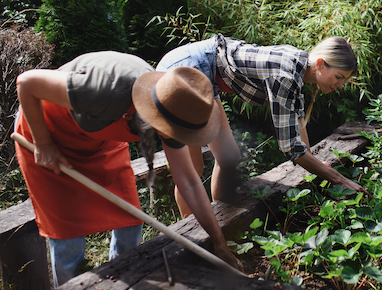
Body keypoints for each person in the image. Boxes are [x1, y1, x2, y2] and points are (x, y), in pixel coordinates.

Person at [14, 51, 243, 290]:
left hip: (99, 139)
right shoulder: (103, 90)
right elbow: (26, 83)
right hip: (48, 132)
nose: (179, 140)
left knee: (130, 220)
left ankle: (117, 288)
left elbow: (188, 181)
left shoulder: (176, 109)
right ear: (157, 116)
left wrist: (219, 243)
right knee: (68, 236)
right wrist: (43, 144)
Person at [156, 34, 367, 214]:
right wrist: (340, 180)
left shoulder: (299, 68)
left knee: (225, 158)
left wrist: (317, 165)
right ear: (320, 64)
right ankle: (193, 233)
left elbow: (297, 121)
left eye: (344, 80)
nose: (340, 85)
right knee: (198, 165)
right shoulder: (285, 75)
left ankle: (220, 223)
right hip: (187, 70)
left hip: (202, 69)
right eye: (339, 77)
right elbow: (291, 148)